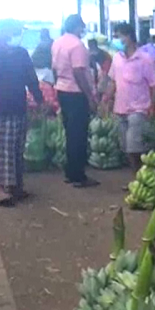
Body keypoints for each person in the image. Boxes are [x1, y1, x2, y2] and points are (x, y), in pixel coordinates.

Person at [0, 19, 43, 206]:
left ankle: (16, 187)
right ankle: (2, 190)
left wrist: (39, 100)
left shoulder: (21, 54)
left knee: (16, 150)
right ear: (4, 32)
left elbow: (31, 79)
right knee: (0, 152)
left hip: (18, 108)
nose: (18, 36)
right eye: (16, 31)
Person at [104, 23, 155, 177]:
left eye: (120, 36)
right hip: (120, 108)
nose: (117, 40)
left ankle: (138, 178)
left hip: (139, 109)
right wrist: (106, 99)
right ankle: (138, 175)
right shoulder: (117, 58)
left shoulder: (144, 59)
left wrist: (153, 108)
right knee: (125, 146)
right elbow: (113, 81)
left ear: (129, 37)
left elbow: (154, 85)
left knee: (133, 146)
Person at [52, 15, 99, 187]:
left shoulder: (57, 42)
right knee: (79, 135)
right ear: (77, 27)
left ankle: (70, 172)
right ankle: (78, 176)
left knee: (70, 133)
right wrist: (89, 96)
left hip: (62, 90)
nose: (83, 30)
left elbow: (54, 68)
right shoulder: (77, 45)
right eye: (82, 27)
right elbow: (79, 72)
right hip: (76, 93)